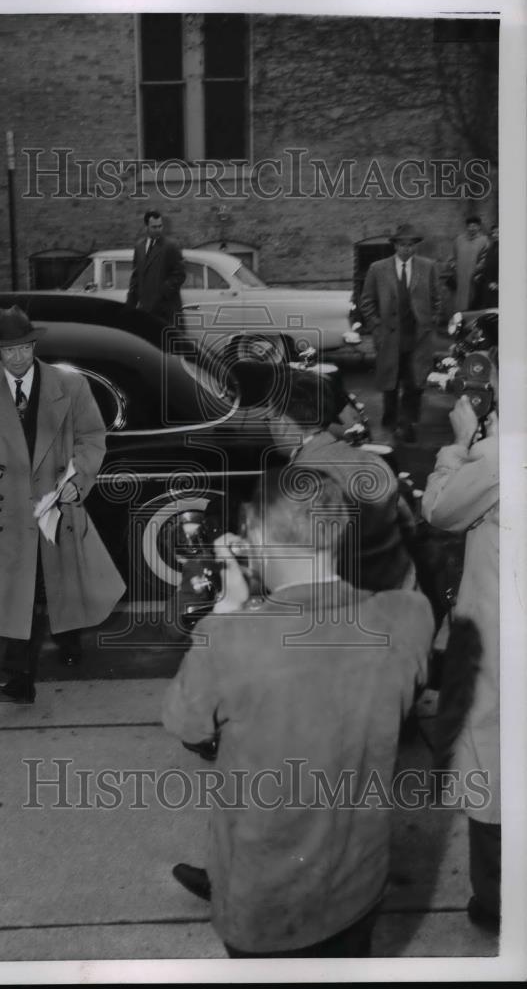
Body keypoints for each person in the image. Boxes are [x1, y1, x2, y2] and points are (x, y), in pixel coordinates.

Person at [163, 467, 434, 957]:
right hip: (358, 883)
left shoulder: (225, 639)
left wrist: (228, 611)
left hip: (264, 903)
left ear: (257, 533)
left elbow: (185, 723)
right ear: (339, 528)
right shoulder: (409, 615)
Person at [0, 305, 125, 704]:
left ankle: (69, 641)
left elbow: (92, 437)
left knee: (58, 581)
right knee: (17, 592)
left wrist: (78, 479)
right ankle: (19, 680)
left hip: (55, 503)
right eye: (8, 350)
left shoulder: (71, 386)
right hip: (6, 507)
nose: (18, 357)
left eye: (24, 347)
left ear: (34, 344)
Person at [422, 388, 500, 932]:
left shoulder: (499, 457)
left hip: (501, 636)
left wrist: (458, 445)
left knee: (492, 761)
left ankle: (496, 900)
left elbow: (441, 510)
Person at [276, 370, 416, 592]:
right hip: (402, 592)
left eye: (269, 419)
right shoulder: (372, 460)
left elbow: (300, 562)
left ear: (283, 423)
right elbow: (409, 526)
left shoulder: (299, 479)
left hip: (351, 604)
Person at [360, 223, 442, 442]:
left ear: (415, 246)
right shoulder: (378, 269)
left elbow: (436, 298)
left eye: (411, 245)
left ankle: (408, 424)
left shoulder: (428, 266)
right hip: (389, 338)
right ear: (395, 246)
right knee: (391, 382)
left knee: (415, 383)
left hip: (418, 337)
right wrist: (377, 326)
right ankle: (390, 419)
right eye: (402, 244)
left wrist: (431, 320)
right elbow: (366, 301)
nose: (406, 249)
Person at [125, 209, 185, 323]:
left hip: (166, 310)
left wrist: (162, 292)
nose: (158, 230)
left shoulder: (171, 246)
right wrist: (130, 305)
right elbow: (136, 277)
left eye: (160, 226)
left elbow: (180, 274)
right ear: (146, 226)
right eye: (154, 227)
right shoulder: (139, 247)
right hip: (145, 310)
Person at [448, 215, 489, 313]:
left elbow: (485, 259)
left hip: (474, 277)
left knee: (472, 301)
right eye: (470, 226)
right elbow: (452, 256)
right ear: (466, 227)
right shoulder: (459, 239)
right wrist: (453, 265)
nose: (472, 228)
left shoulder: (484, 240)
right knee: (458, 301)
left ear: (479, 227)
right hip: (459, 276)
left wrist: (477, 270)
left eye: (475, 226)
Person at [472, 222, 498, 309]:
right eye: (493, 233)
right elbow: (487, 265)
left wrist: (498, 284)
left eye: (497, 233)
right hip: (489, 285)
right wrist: (480, 275)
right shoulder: (492, 247)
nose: (495, 235)